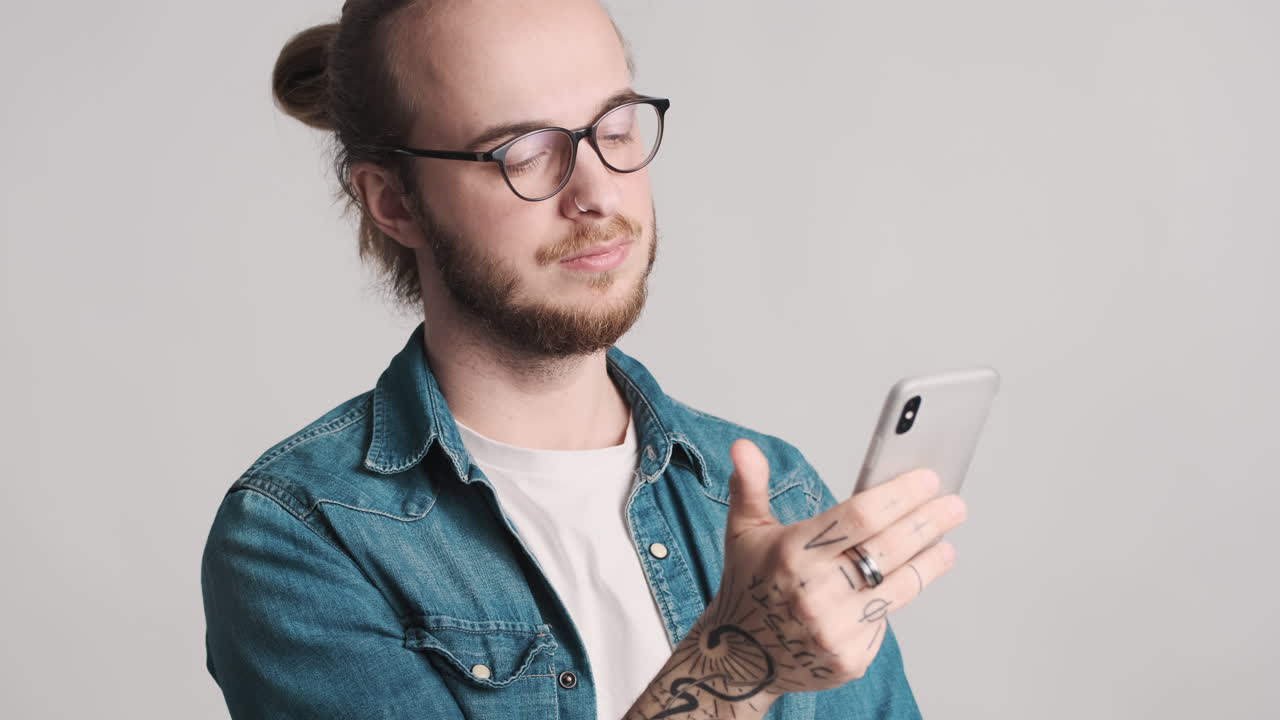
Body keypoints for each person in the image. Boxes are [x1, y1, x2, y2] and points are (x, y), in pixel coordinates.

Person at [200, 1, 967, 718]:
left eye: (615, 125)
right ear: (395, 203)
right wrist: (739, 662)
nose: (598, 191)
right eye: (525, 150)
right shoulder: (300, 537)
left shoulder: (778, 487)